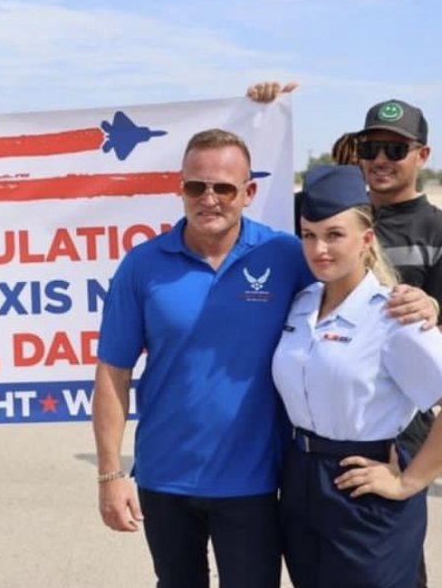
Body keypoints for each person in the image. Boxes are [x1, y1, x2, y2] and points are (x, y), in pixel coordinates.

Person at [91, 128, 436, 587]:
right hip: (165, 476)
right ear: (181, 189)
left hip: (255, 481)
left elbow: (348, 261)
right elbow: (112, 371)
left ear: (249, 192)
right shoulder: (142, 265)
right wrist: (110, 473)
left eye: (224, 187)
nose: (209, 198)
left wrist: (427, 305)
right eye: (196, 186)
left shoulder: (284, 254)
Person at [251, 83, 442, 586]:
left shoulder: (394, 312)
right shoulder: (302, 303)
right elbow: (255, 205)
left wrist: (409, 481)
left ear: (365, 238)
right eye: (309, 236)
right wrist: (261, 113)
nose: (319, 248)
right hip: (300, 480)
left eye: (335, 236)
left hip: (372, 473)